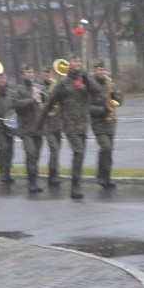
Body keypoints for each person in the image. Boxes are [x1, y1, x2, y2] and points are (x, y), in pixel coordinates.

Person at [45, 53, 102, 199]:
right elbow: (50, 103)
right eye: (74, 61)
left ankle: (76, 183)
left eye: (79, 60)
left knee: (81, 154)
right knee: (78, 151)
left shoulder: (84, 79)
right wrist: (40, 123)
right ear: (69, 63)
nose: (77, 63)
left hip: (83, 124)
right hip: (69, 124)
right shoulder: (63, 83)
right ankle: (75, 186)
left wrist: (87, 81)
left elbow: (98, 93)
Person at [91, 60, 124, 188]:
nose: (101, 72)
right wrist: (103, 109)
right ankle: (101, 175)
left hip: (110, 122)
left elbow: (120, 101)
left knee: (109, 151)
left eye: (103, 70)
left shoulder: (110, 83)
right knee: (105, 147)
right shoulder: (91, 85)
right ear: (95, 71)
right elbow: (88, 107)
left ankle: (107, 177)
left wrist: (114, 93)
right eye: (99, 70)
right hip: (98, 122)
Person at [13, 64, 45, 193]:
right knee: (30, 153)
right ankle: (31, 181)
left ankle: (34, 180)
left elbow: (47, 101)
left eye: (32, 72)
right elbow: (16, 105)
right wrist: (32, 99)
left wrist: (43, 96)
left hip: (38, 127)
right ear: (22, 75)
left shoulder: (38, 87)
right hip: (26, 128)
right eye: (27, 72)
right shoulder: (18, 89)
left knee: (36, 155)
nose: (30, 75)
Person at [41, 65, 63, 187]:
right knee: (54, 149)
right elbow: (44, 104)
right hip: (48, 124)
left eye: (50, 74)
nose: (48, 77)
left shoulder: (56, 87)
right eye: (46, 75)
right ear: (42, 76)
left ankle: (54, 172)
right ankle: (52, 173)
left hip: (58, 124)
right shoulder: (40, 88)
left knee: (56, 150)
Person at [0, 71, 15, 185]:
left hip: (10, 125)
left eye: (3, 78)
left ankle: (8, 171)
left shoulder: (10, 92)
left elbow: (15, 106)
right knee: (3, 148)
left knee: (10, 149)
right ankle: (2, 172)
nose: (2, 80)